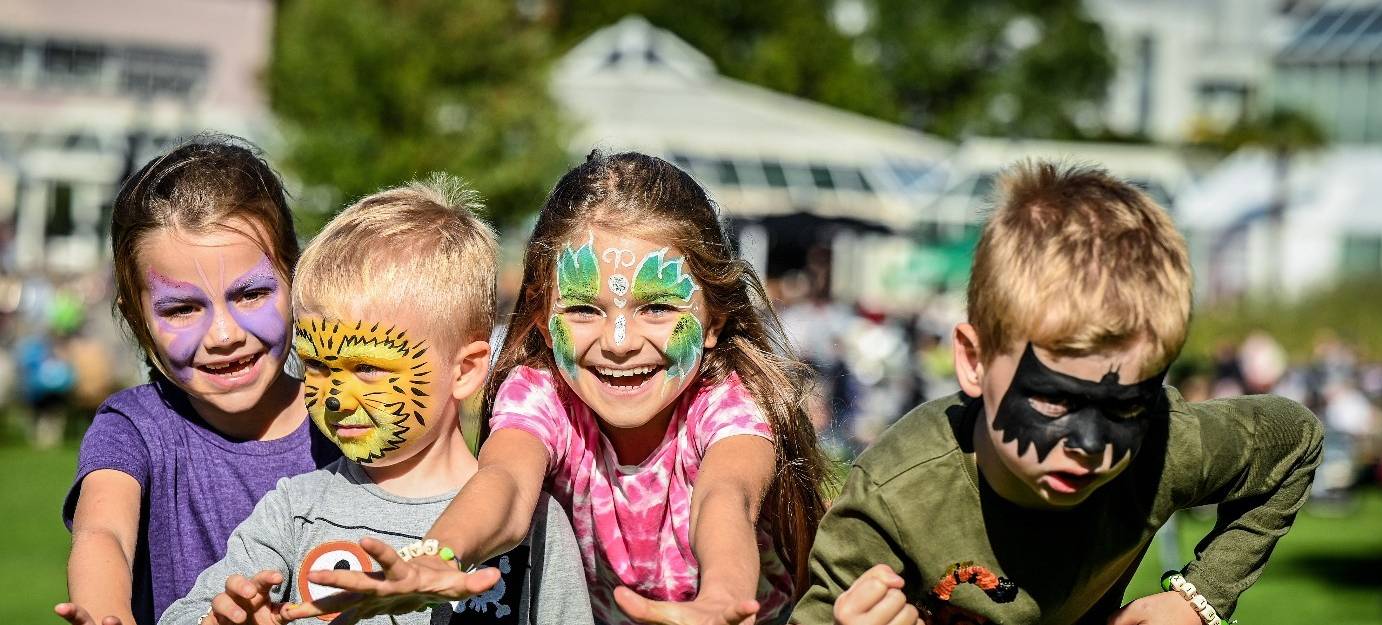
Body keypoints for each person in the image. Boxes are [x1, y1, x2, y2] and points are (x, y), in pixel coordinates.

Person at [300, 151, 831, 625]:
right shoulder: (541, 397)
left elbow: (725, 498)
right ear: (542, 313)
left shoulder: (728, 405)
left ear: (713, 319)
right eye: (582, 309)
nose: (618, 342)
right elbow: (504, 483)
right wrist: (439, 556)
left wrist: (720, 599)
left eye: (657, 307)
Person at [794, 161, 1324, 625]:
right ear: (974, 361)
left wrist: (1200, 596)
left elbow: (1295, 440)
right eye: (1055, 400)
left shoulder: (1163, 447)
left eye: (1125, 405)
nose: (1091, 443)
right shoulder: (895, 496)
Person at [160, 177, 593, 625]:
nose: (335, 397)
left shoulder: (535, 526)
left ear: (464, 370)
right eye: (317, 366)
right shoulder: (296, 511)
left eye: (367, 368)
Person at [55, 136, 339, 625]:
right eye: (183, 308)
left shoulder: (347, 421)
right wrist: (106, 615)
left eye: (250, 294)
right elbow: (104, 532)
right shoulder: (135, 428)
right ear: (138, 318)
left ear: (297, 279)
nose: (224, 335)